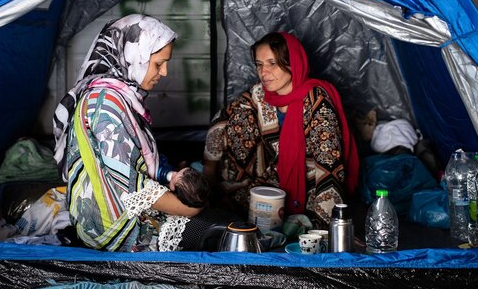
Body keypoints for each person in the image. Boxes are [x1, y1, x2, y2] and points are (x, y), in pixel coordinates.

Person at [52, 14, 205, 252]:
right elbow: (132, 185)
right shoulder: (104, 103)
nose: (164, 72)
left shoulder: (122, 96)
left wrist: (169, 176)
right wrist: (188, 209)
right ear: (135, 57)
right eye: (158, 64)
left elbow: (137, 161)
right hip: (108, 226)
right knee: (209, 232)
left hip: (118, 209)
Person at [203, 32, 359, 227]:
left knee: (310, 224)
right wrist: (209, 169)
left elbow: (329, 162)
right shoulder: (261, 94)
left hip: (310, 182)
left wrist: (327, 227)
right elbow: (222, 119)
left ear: (292, 63)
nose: (264, 72)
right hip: (274, 177)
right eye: (259, 64)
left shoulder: (316, 99)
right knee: (238, 117)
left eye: (272, 63)